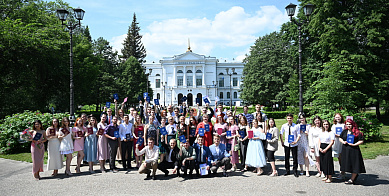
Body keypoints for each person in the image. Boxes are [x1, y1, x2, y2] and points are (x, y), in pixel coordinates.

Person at [339, 119, 366, 185]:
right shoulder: (344, 131)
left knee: (354, 164)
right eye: (347, 124)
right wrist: (343, 142)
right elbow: (340, 138)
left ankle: (352, 179)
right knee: (348, 163)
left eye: (350, 124)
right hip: (345, 150)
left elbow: (361, 140)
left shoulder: (356, 132)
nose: (348, 125)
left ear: (352, 124)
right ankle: (353, 176)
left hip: (354, 150)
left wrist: (354, 144)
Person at [332, 113, 346, 180]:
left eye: (339, 117)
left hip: (342, 142)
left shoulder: (344, 125)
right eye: (336, 117)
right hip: (336, 143)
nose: (337, 118)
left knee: (342, 157)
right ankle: (341, 172)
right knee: (338, 157)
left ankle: (343, 172)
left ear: (341, 117)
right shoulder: (334, 125)